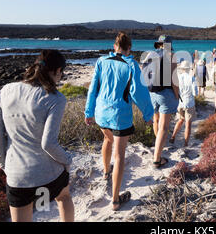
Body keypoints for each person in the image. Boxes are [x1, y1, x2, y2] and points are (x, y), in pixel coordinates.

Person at [0, 50, 74, 222]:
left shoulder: (6, 90)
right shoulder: (56, 98)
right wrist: (67, 161)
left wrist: (4, 165)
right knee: (64, 197)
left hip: (16, 176)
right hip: (47, 176)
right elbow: (48, 144)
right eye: (62, 73)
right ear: (58, 71)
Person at [84, 32, 154, 211]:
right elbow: (139, 93)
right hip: (119, 116)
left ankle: (106, 172)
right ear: (129, 48)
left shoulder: (101, 61)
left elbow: (93, 89)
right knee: (120, 155)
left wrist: (89, 111)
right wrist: (148, 115)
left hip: (101, 113)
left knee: (107, 140)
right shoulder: (131, 65)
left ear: (115, 46)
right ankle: (115, 200)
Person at [141, 35, 179, 168]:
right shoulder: (171, 56)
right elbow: (174, 80)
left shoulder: (151, 55)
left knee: (156, 120)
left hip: (152, 93)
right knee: (164, 126)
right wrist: (177, 95)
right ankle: (157, 159)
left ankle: (158, 144)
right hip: (165, 94)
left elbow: (143, 71)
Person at [169, 60, 198, 146]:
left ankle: (173, 136)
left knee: (180, 120)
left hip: (180, 103)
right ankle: (185, 143)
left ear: (181, 69)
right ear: (188, 69)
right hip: (189, 103)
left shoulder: (178, 77)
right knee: (188, 123)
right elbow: (195, 93)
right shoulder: (191, 78)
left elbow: (174, 90)